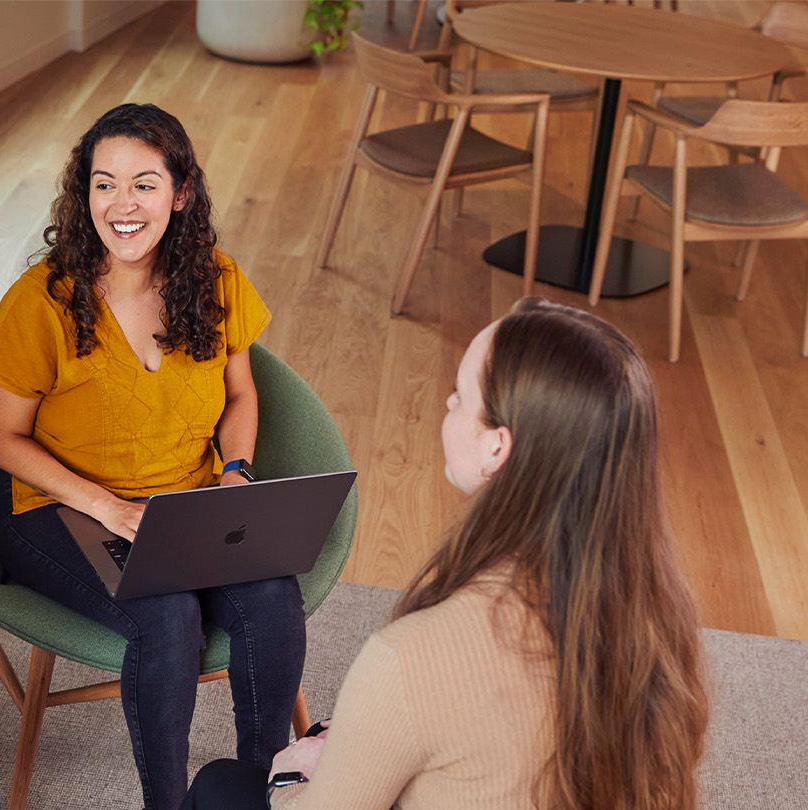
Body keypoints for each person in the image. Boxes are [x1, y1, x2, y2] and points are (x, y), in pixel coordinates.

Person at [182, 298, 709, 810]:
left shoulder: (412, 656)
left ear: (496, 447)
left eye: (458, 395)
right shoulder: (660, 619)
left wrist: (293, 771)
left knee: (221, 784)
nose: (448, 406)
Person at [0, 103, 306, 810]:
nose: (121, 205)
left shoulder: (215, 279)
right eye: (104, 184)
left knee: (275, 598)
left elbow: (241, 395)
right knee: (166, 618)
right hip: (55, 503)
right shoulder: (41, 301)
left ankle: (261, 793)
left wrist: (235, 474)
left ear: (181, 192)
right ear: (83, 193)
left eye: (144, 183)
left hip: (183, 499)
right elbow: (3, 439)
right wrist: (106, 507)